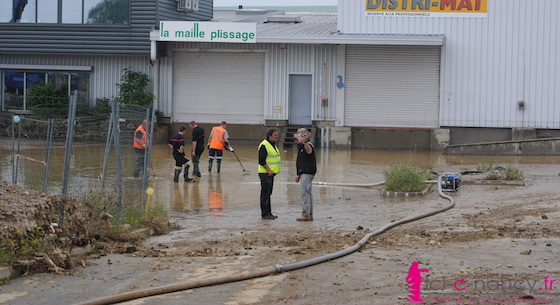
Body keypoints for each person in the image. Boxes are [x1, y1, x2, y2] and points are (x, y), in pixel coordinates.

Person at [258, 128, 280, 220]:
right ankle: (265, 214)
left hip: (270, 174)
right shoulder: (264, 145)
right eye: (275, 135)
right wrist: (269, 170)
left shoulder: (273, 144)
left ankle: (268, 213)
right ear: (269, 136)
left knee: (268, 193)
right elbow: (261, 160)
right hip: (265, 173)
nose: (276, 136)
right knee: (265, 194)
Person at [295, 128, 316, 221]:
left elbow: (309, 151)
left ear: (304, 136)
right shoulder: (300, 147)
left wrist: (305, 142)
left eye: (299, 136)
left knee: (305, 193)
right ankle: (309, 214)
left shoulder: (308, 145)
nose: (297, 138)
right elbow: (301, 161)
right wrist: (298, 174)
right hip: (304, 172)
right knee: (308, 193)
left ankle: (306, 214)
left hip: (307, 172)